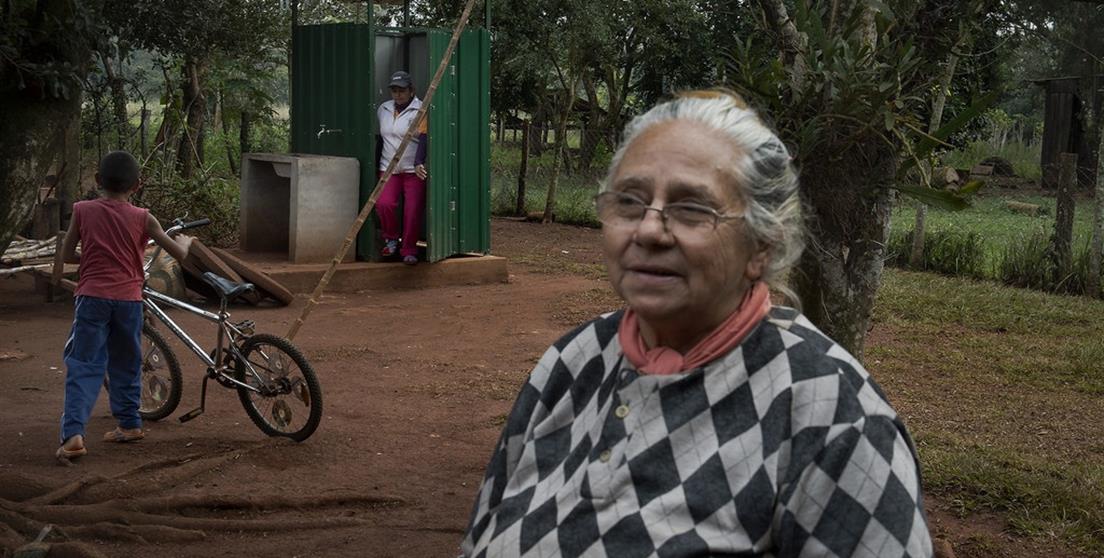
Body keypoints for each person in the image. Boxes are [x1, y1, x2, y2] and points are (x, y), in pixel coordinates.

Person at [460, 90, 933, 557]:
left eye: (691, 209)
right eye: (630, 201)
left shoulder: (837, 417)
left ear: (762, 244)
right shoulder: (573, 361)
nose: (649, 230)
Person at [56, 151, 193, 464]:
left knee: (84, 363)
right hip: (129, 301)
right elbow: (179, 254)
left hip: (92, 298)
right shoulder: (144, 217)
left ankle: (74, 435)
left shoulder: (82, 210)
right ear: (137, 185)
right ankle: (130, 424)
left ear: (98, 181)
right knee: (127, 361)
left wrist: (93, 258)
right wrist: (186, 243)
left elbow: (68, 255)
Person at [376, 70, 428, 266]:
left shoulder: (420, 110)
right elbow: (381, 139)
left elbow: (424, 139)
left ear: (411, 90)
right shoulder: (384, 109)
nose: (398, 95)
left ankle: (409, 250)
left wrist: (418, 162)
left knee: (412, 210)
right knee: (384, 203)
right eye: (394, 91)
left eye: (402, 90)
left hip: (412, 170)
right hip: (388, 167)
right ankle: (390, 239)